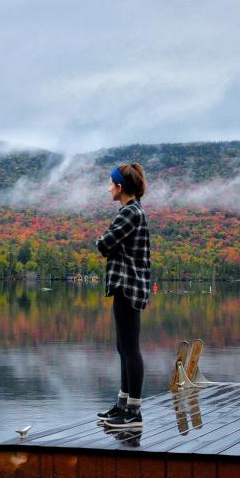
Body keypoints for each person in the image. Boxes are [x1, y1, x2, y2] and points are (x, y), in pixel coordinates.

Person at [94, 163, 151, 428]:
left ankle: (134, 413)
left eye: (110, 184)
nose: (108, 188)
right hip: (125, 286)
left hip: (129, 286)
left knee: (130, 349)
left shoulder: (130, 213)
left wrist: (102, 239)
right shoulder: (130, 211)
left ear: (120, 187)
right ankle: (123, 405)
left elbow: (104, 245)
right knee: (123, 348)